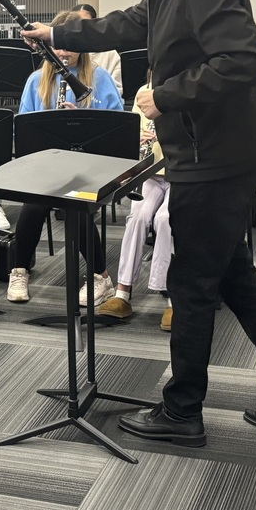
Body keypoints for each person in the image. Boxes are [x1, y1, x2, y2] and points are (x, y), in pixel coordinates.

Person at [22, 0, 256, 446]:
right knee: (232, 274)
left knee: (191, 283)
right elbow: (130, 24)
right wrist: (57, 31)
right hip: (211, 152)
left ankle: (183, 410)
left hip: (215, 158)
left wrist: (167, 95)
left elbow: (244, 61)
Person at [7, 11, 123, 305]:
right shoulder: (36, 81)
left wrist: (81, 123)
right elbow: (22, 131)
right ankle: (19, 270)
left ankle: (100, 277)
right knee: (33, 206)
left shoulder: (100, 78)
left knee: (75, 206)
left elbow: (118, 128)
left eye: (70, 44)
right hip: (47, 168)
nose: (63, 51)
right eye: (58, 45)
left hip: (90, 168)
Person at [96, 83, 173, 330]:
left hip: (183, 174)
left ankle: (172, 298)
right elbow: (129, 133)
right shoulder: (145, 91)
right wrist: (136, 139)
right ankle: (122, 293)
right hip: (151, 173)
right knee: (138, 216)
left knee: (166, 219)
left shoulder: (185, 91)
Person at [72, 3, 123, 95]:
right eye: (76, 24)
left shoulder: (110, 53)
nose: (80, 29)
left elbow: (117, 89)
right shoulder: (64, 52)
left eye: (85, 24)